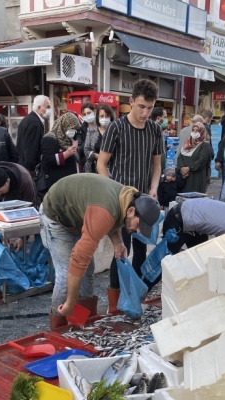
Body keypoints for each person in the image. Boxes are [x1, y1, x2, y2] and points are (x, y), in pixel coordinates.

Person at [40, 173, 161, 328]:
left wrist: (118, 243)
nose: (138, 231)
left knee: (88, 270)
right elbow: (79, 259)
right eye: (139, 225)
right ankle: (58, 324)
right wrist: (69, 302)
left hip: (79, 215)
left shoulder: (130, 199)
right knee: (66, 273)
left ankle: (84, 320)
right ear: (131, 211)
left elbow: (116, 218)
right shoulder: (105, 211)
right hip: (56, 214)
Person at [97, 79, 163, 313]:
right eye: (141, 107)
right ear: (131, 102)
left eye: (150, 107)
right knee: (120, 249)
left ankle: (135, 294)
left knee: (141, 249)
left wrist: (154, 188)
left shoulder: (155, 129)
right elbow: (101, 163)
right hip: (121, 202)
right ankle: (114, 303)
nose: (145, 113)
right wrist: (113, 191)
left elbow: (157, 165)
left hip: (144, 201)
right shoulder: (116, 127)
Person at [0, 162, 39, 250]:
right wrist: (2, 235)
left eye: (0, 191)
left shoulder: (25, 180)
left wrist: (22, 238)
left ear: (8, 181)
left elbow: (29, 211)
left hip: (22, 194)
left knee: (38, 222)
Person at [35, 112, 81, 197]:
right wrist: (66, 154)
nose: (73, 131)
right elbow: (47, 160)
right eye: (71, 128)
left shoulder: (69, 139)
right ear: (64, 125)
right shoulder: (50, 138)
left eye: (75, 129)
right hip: (56, 185)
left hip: (70, 185)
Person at [17, 95, 51, 176]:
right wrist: (31, 170)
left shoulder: (28, 119)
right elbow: (30, 149)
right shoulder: (34, 123)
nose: (49, 110)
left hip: (22, 166)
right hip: (28, 170)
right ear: (39, 107)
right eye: (47, 106)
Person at [177, 122, 212, 194]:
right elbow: (180, 156)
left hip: (196, 177)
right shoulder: (187, 143)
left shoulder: (204, 145)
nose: (195, 132)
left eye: (197, 130)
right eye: (193, 130)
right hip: (184, 176)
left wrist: (188, 168)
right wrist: (182, 168)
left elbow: (202, 160)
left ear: (202, 132)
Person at [84, 103, 114, 173]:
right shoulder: (91, 131)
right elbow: (86, 150)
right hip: (93, 170)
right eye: (102, 116)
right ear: (98, 117)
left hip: (112, 171)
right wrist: (98, 156)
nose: (104, 118)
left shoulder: (115, 131)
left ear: (110, 117)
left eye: (106, 116)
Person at [76, 102, 96, 169]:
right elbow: (80, 149)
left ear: (94, 111)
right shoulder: (81, 130)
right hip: (86, 164)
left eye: (89, 113)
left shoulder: (101, 126)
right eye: (84, 114)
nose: (87, 115)